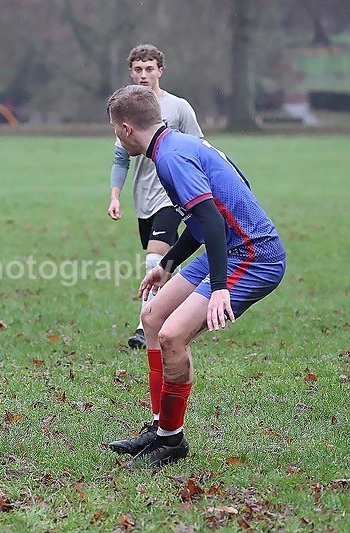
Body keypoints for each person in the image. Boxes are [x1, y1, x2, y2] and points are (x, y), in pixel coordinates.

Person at [105, 85, 286, 466]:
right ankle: (161, 426)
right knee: (152, 317)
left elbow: (212, 220)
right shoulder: (177, 144)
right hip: (229, 247)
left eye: (114, 131)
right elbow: (206, 217)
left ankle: (171, 442)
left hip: (254, 255)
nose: (117, 137)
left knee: (172, 335)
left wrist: (220, 288)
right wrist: (167, 265)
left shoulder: (171, 158)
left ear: (125, 129)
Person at [107, 44, 203, 351]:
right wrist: (115, 197)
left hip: (171, 194)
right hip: (143, 197)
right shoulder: (126, 109)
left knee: (155, 258)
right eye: (138, 69)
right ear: (130, 72)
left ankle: (145, 324)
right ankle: (178, 308)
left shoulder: (178, 107)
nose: (144, 75)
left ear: (160, 71)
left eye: (149, 69)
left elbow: (197, 146)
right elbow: (121, 158)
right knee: (166, 261)